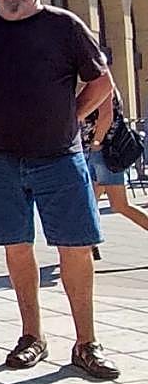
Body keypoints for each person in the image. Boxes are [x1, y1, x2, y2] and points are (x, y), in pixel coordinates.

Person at [0, 0, 118, 379]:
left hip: (59, 157)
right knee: (17, 246)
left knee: (75, 247)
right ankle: (32, 336)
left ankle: (86, 343)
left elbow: (101, 82)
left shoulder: (65, 26)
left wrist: (72, 116)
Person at [83, 85, 148, 258]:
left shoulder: (103, 85)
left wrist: (96, 142)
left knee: (119, 205)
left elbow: (107, 115)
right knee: (89, 204)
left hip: (103, 152)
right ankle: (88, 246)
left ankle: (88, 245)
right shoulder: (95, 85)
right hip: (96, 152)